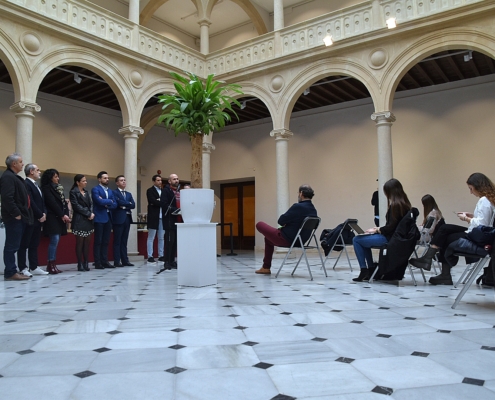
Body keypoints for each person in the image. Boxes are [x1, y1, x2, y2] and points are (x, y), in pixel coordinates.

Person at [410, 173, 495, 285]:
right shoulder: (489, 199)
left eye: (471, 189)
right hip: (481, 234)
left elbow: (482, 224)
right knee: (445, 230)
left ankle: (436, 266)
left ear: (478, 186)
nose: (471, 192)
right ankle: (433, 264)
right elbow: (486, 221)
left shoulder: (484, 200)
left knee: (446, 233)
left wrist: (466, 218)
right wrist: (472, 216)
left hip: (479, 235)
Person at [352, 178, 412, 282]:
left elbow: (391, 228)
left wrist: (377, 230)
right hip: (396, 237)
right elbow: (395, 225)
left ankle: (365, 270)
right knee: (363, 240)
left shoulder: (396, 205)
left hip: (390, 238)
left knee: (357, 240)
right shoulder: (404, 204)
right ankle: (370, 269)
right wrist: (378, 229)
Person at [255, 184, 317, 275]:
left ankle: (266, 267)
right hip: (300, 241)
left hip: (286, 239)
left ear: (301, 193)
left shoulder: (298, 207)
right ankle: (266, 267)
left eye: (298, 193)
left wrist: (286, 223)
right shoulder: (313, 210)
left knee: (259, 224)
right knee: (268, 239)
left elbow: (280, 221)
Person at [0, 153, 33, 281]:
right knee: (11, 246)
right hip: (14, 217)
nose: (22, 164)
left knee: (15, 245)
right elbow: (7, 198)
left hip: (21, 216)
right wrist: (16, 213)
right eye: (20, 162)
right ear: (14, 164)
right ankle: (10, 272)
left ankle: (13, 270)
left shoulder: (14, 177)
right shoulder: (8, 177)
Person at [18, 163, 48, 276]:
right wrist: (40, 214)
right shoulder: (26, 184)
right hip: (30, 218)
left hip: (39, 219)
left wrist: (44, 213)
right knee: (24, 243)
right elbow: (31, 202)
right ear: (31, 171)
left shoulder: (37, 185)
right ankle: (22, 267)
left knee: (34, 244)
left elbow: (42, 201)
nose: (39, 172)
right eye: (37, 170)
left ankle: (34, 266)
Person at [41, 168, 70, 274]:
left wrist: (66, 213)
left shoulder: (59, 188)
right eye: (55, 177)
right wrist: (62, 215)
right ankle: (50, 263)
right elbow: (52, 203)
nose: (58, 179)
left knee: (56, 240)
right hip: (52, 217)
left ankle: (53, 264)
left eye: (58, 176)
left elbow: (64, 202)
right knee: (54, 239)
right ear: (50, 178)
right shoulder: (46, 188)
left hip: (60, 217)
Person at [91, 171, 117, 269]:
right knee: (98, 241)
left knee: (106, 241)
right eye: (105, 178)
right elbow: (98, 201)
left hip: (108, 217)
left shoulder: (110, 191)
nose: (107, 180)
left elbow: (115, 204)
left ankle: (105, 261)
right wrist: (109, 201)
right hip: (99, 218)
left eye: (107, 178)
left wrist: (107, 202)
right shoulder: (95, 189)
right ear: (99, 179)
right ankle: (97, 262)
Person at [69, 174, 94, 271]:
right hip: (79, 220)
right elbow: (76, 206)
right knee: (80, 243)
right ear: (77, 182)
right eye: (83, 181)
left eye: (86, 180)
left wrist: (91, 213)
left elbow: (90, 204)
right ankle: (79, 263)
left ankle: (86, 262)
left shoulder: (86, 192)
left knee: (87, 243)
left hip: (88, 221)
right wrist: (88, 213)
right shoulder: (73, 192)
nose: (85, 182)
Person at [112, 175, 135, 267]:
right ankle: (117, 261)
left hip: (127, 218)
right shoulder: (114, 192)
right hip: (118, 219)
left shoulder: (129, 194)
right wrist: (127, 204)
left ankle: (125, 260)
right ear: (117, 183)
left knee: (124, 241)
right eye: (121, 180)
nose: (124, 182)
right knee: (117, 240)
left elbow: (133, 205)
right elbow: (118, 203)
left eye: (125, 180)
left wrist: (126, 205)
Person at [160, 173, 181, 270]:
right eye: (174, 179)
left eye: (177, 179)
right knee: (169, 241)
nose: (176, 180)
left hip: (179, 220)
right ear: (169, 181)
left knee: (175, 242)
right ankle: (167, 261)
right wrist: (174, 210)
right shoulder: (166, 191)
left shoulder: (179, 191)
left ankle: (172, 260)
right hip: (169, 220)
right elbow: (164, 204)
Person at [146, 174, 164, 263]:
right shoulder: (150, 190)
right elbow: (152, 201)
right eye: (158, 180)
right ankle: (150, 256)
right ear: (154, 181)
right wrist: (160, 202)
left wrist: (159, 201)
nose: (160, 182)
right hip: (154, 216)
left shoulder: (164, 191)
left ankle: (161, 255)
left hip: (162, 216)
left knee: (161, 237)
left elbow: (164, 202)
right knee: (151, 237)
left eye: (160, 180)